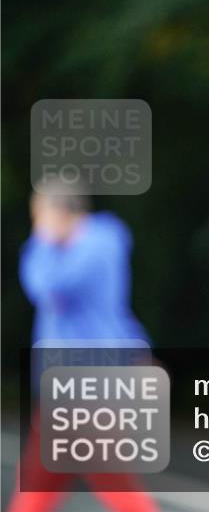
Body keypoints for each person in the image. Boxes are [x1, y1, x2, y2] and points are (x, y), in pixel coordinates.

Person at [8, 185, 159, 512]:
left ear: (56, 212)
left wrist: (42, 240)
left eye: (40, 217)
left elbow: (46, 287)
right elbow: (111, 310)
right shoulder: (107, 240)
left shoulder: (87, 245)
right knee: (42, 478)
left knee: (110, 480)